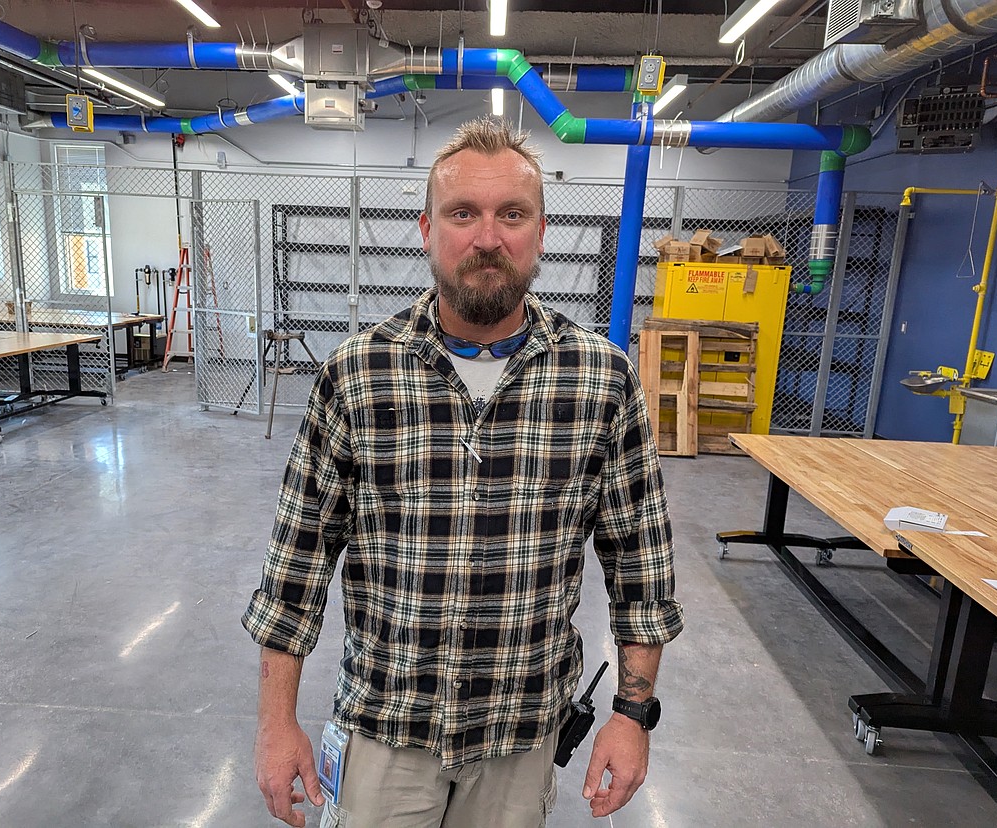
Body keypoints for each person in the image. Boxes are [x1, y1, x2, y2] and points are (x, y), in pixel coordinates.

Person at [243, 116, 684, 828]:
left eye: (512, 213)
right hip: (387, 730)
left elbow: (642, 572)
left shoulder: (602, 381)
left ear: (541, 232)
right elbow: (295, 571)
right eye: (463, 213)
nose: (487, 237)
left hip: (521, 737)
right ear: (426, 229)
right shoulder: (357, 375)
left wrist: (632, 717)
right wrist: (275, 725)